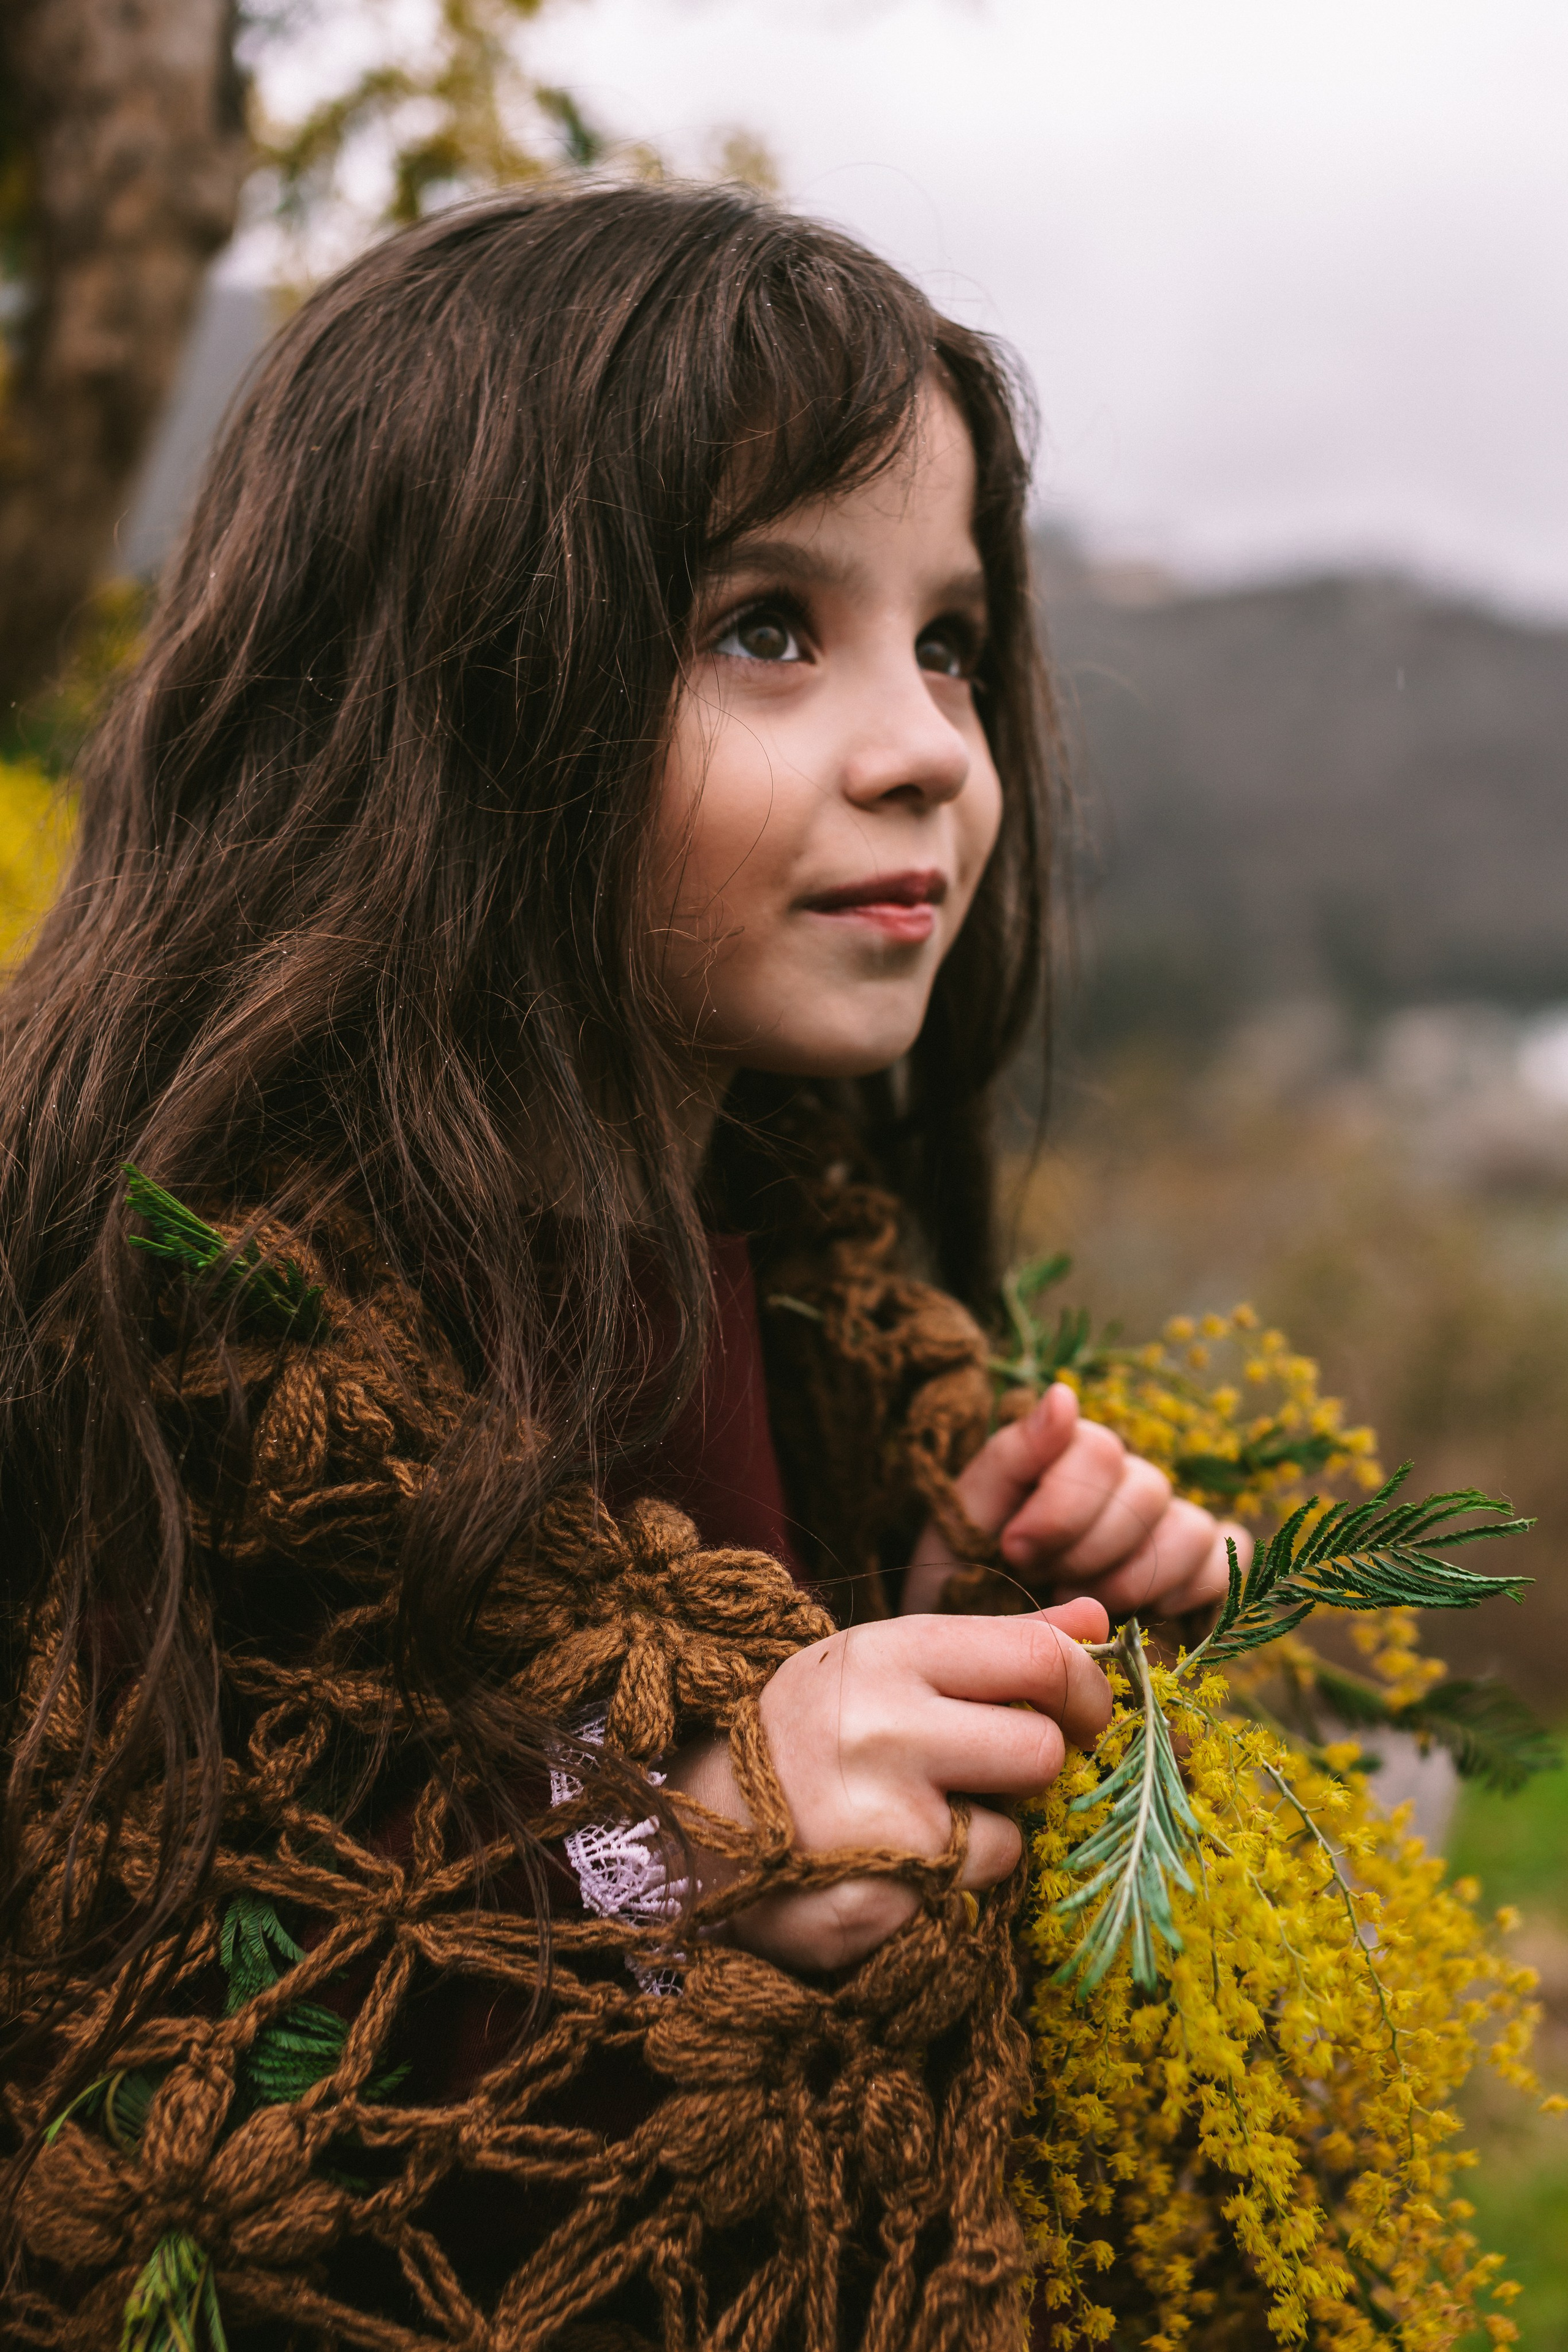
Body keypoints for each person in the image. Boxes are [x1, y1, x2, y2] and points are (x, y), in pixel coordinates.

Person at [0, 183, 1245, 2349]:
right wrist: (691, 1846)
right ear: (451, 690)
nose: (931, 747)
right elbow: (203, 2042)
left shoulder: (811, 1286)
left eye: (947, 639)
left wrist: (966, 1626)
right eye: (769, 624)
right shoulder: (204, 1329)